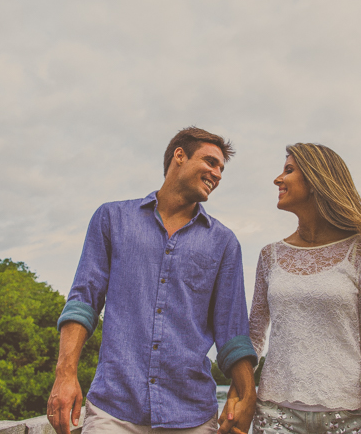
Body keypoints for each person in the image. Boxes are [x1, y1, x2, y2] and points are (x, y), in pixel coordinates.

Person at [47, 127, 258, 434]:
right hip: (113, 411)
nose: (218, 173)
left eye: (221, 168)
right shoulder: (112, 219)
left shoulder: (224, 243)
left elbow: (232, 332)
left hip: (193, 417)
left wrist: (247, 395)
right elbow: (83, 302)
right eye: (211, 162)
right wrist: (65, 375)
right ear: (180, 156)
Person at [235, 143, 361, 434]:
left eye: (288, 170)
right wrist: (238, 398)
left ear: (314, 181)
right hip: (276, 417)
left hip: (350, 417)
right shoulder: (269, 256)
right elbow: (254, 337)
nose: (277, 179)